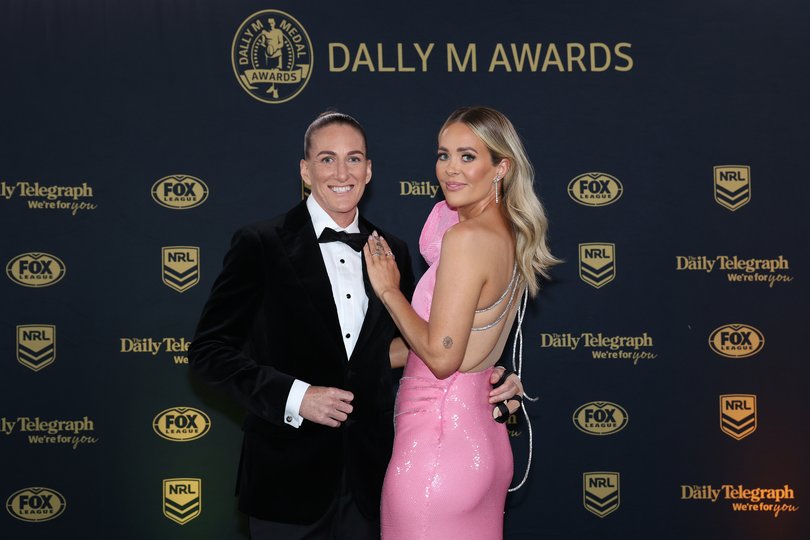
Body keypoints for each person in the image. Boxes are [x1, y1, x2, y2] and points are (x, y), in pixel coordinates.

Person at [188, 111, 524, 540]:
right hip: (288, 483)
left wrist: (485, 376)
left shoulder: (393, 252)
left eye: (354, 159)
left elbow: (416, 347)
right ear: (305, 171)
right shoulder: (260, 245)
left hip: (374, 477)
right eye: (327, 160)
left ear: (369, 170)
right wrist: (297, 396)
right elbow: (209, 352)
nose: (342, 172)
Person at [364, 106, 559, 539]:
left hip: (437, 453)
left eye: (467, 156)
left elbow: (440, 357)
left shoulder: (467, 239)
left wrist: (389, 290)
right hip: (482, 444)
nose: (450, 169)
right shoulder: (505, 234)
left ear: (500, 167)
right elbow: (446, 347)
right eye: (443, 155)